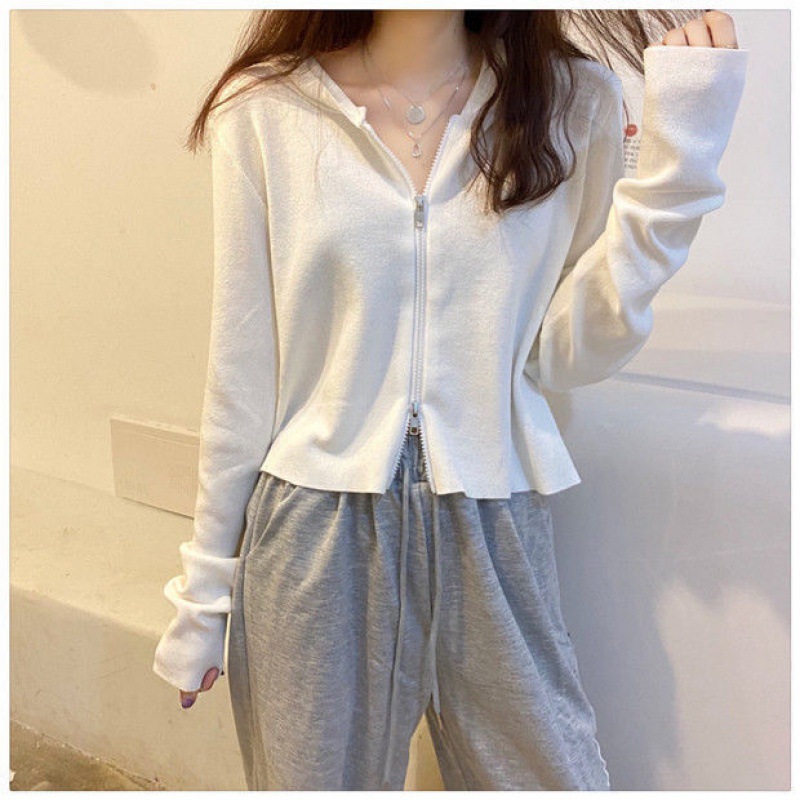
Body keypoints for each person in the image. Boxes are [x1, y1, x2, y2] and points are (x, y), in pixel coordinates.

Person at [152, 9, 747, 791]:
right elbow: (242, 374)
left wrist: (677, 174)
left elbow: (569, 356)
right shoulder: (266, 110)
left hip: (495, 524)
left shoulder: (574, 103)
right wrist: (204, 596)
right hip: (314, 539)